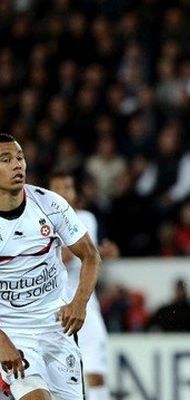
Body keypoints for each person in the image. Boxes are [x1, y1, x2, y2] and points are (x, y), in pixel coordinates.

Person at [0, 133, 100, 400]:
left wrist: (79, 302)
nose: (17, 165)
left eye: (19, 157)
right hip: (13, 332)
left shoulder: (50, 204)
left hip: (57, 328)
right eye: (6, 159)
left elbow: (90, 255)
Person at [48, 171, 119, 400]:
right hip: (53, 309)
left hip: (86, 305)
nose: (63, 193)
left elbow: (78, 255)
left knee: (95, 372)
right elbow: (71, 255)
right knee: (58, 378)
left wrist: (102, 251)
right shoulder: (37, 223)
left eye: (67, 187)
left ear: (74, 192)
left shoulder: (85, 218)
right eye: (57, 188)